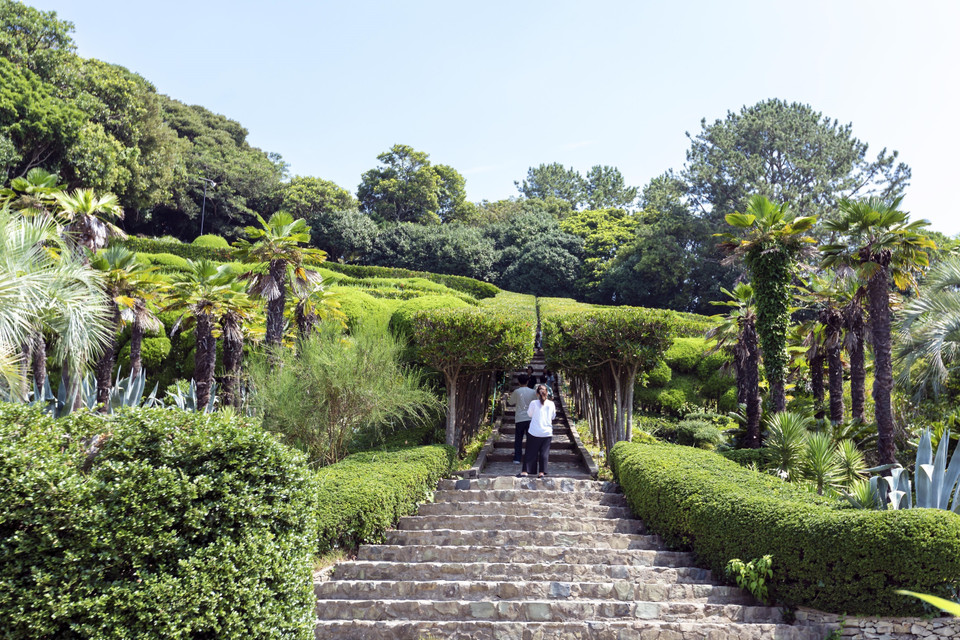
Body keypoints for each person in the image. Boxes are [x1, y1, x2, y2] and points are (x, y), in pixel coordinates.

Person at [519, 383, 556, 478]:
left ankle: (525, 471)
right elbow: (553, 416)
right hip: (547, 432)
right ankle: (542, 473)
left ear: (537, 394)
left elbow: (529, 414)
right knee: (544, 453)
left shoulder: (533, 403)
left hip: (534, 431)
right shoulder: (551, 404)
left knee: (530, 452)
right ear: (547, 393)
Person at [508, 374, 538, 465]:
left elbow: (510, 402)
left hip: (519, 418)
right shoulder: (533, 392)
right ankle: (530, 458)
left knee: (518, 439)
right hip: (530, 418)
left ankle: (517, 458)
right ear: (528, 381)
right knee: (530, 439)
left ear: (518, 382)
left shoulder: (516, 392)